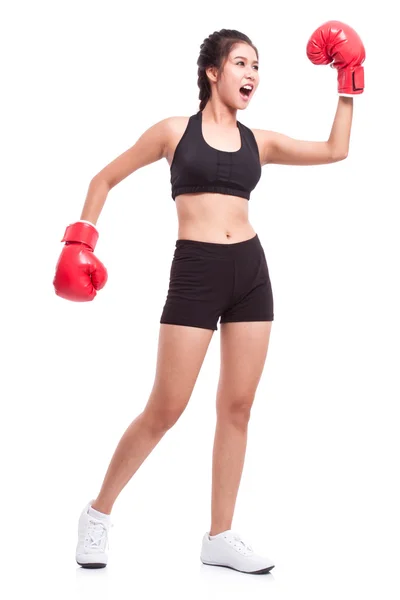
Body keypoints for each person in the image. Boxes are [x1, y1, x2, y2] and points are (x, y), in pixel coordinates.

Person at [53, 23, 365, 574]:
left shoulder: (259, 142)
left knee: (237, 407)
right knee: (165, 409)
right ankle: (98, 515)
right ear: (213, 71)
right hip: (196, 272)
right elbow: (103, 179)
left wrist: (347, 81)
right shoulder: (174, 132)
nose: (253, 74)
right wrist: (81, 241)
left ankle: (220, 536)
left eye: (258, 66)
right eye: (242, 64)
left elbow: (336, 150)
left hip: (251, 271)